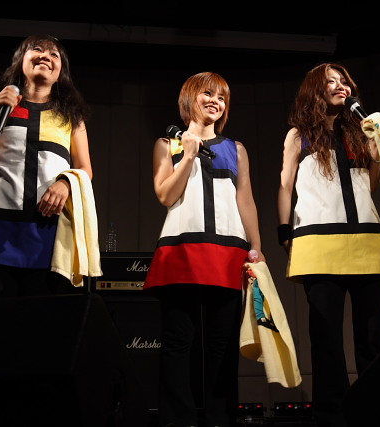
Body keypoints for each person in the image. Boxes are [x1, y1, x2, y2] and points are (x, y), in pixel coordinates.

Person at [277, 63, 380, 427]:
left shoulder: (362, 131)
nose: (340, 86)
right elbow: (285, 185)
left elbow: (371, 186)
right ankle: (331, 417)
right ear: (315, 90)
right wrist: (284, 231)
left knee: (372, 338)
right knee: (327, 341)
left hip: (367, 242)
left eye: (344, 81)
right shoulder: (298, 135)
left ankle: (376, 414)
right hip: (319, 245)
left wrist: (376, 151)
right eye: (330, 81)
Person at [144, 71, 264, 427]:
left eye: (222, 97)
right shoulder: (167, 144)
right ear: (190, 98)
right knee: (177, 342)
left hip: (227, 253)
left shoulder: (236, 149)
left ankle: (220, 419)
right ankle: (177, 420)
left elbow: (245, 199)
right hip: (181, 250)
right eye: (208, 94)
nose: (215, 101)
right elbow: (165, 195)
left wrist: (256, 247)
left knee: (222, 345)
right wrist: (188, 155)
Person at [0, 34, 93, 299]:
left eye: (54, 54)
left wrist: (66, 183)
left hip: (48, 227)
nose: (45, 56)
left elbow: (85, 168)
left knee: (41, 316)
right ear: (20, 61)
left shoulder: (72, 116)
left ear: (61, 72)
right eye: (37, 49)